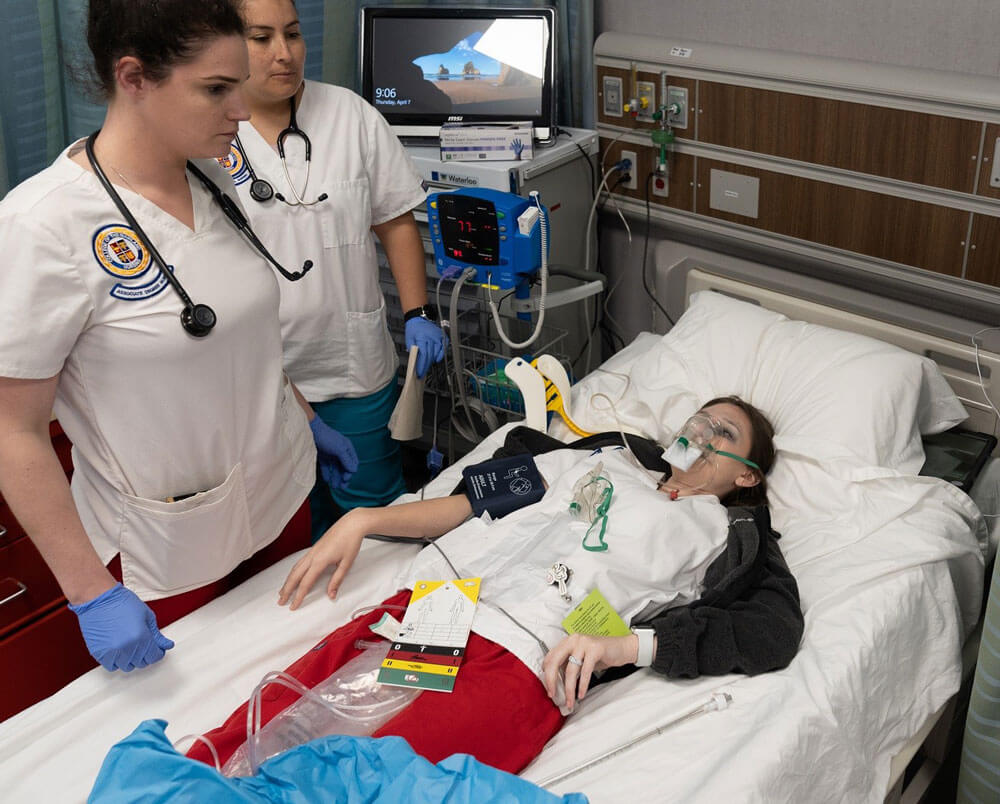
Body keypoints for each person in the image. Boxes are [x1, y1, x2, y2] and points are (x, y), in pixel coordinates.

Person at [0, 0, 354, 676]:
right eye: (217, 89)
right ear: (133, 77)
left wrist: (303, 417)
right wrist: (90, 592)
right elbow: (12, 430)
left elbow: (238, 331)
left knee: (302, 695)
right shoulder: (40, 227)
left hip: (281, 506)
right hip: (166, 557)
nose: (243, 111)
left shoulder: (216, 180)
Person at [192, 397, 803, 773]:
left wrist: (628, 647)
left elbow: (769, 632)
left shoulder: (731, 536)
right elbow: (469, 504)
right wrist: (365, 519)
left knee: (390, 773)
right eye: (701, 419)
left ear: (748, 477)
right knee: (285, 725)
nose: (703, 433)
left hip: (535, 653)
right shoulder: (593, 460)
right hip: (445, 608)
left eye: (724, 435)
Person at [221, 0, 448, 538]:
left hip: (351, 367)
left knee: (376, 525)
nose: (284, 54)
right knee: (286, 534)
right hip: (262, 378)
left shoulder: (350, 115)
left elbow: (394, 220)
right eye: (261, 38)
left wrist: (418, 311)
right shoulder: (209, 136)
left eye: (293, 34)